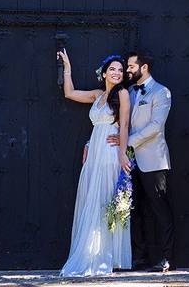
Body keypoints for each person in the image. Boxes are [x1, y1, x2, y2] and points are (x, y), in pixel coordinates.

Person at [58, 50, 132, 276]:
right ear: (105, 73)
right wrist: (68, 66)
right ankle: (90, 253)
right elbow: (69, 93)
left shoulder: (123, 95)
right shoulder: (98, 95)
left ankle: (105, 255)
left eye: (120, 70)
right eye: (113, 69)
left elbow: (125, 126)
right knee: (93, 198)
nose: (117, 73)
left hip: (110, 153)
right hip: (94, 152)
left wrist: (122, 152)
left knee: (105, 199)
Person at [106, 49, 174, 272]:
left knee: (159, 209)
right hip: (129, 161)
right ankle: (139, 257)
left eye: (131, 67)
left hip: (153, 160)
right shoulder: (128, 92)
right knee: (133, 209)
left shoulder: (161, 92)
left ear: (144, 68)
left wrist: (127, 142)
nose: (127, 70)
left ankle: (166, 258)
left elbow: (156, 126)